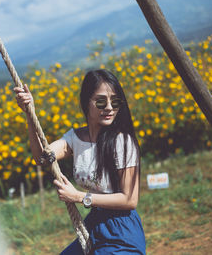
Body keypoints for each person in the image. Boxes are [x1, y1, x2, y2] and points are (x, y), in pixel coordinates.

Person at [14, 69, 146, 254]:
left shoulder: (122, 142)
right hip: (94, 226)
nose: (109, 107)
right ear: (86, 102)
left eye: (115, 102)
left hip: (121, 230)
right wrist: (30, 114)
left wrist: (78, 197)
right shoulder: (75, 139)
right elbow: (42, 158)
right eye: (101, 101)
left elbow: (129, 200)